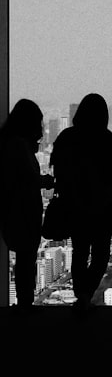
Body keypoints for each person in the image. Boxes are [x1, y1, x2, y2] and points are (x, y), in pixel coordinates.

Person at [51, 93, 112, 313]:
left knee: (80, 253)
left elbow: (59, 172)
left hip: (74, 206)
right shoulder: (105, 138)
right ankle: (85, 296)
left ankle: (81, 295)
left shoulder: (66, 137)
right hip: (101, 207)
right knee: (100, 256)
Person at [0, 99, 54, 309]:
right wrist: (44, 180)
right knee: (25, 262)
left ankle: (25, 303)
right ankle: (25, 304)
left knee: (24, 261)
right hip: (23, 213)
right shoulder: (18, 146)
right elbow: (27, 178)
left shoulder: (10, 143)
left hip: (17, 212)